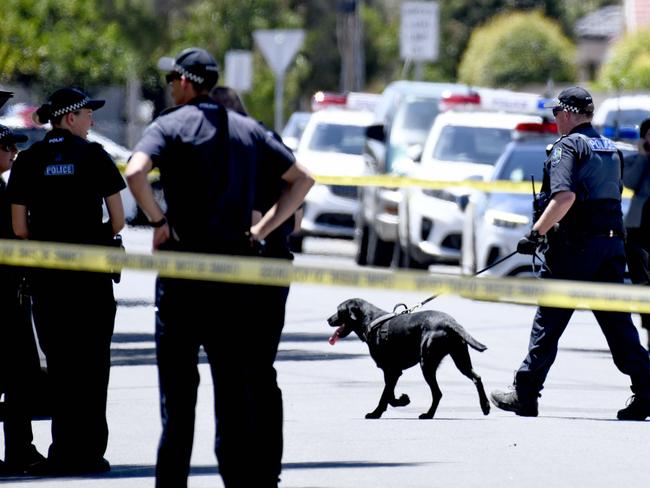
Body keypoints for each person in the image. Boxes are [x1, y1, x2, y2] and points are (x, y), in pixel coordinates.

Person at [125, 48, 313, 488]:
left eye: (173, 80)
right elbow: (303, 180)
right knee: (232, 396)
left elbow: (135, 172)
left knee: (178, 403)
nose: (171, 87)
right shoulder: (248, 130)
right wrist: (263, 230)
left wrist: (158, 221)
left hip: (182, 280)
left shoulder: (169, 125)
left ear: (188, 82)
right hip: (235, 282)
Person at [490, 86, 650, 421]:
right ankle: (646, 390)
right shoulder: (610, 148)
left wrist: (536, 233)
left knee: (548, 323)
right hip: (610, 247)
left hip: (574, 250)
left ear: (568, 112)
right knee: (619, 326)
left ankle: (526, 393)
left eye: (556, 113)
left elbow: (564, 198)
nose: (555, 119)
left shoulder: (568, 147)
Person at [7, 87, 126, 474]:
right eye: (88, 115)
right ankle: (89, 453)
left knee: (59, 365)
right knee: (93, 363)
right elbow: (119, 220)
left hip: (46, 280)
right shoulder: (94, 156)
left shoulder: (29, 160)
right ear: (70, 117)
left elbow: (19, 228)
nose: (92, 121)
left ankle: (60, 452)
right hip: (91, 278)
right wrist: (94, 237)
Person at [0, 119, 47, 476]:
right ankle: (19, 451)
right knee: (19, 376)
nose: (14, 153)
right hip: (6, 299)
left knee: (21, 377)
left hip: (12, 293)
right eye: (7, 147)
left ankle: (20, 449)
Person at [623, 117, 650, 350]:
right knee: (642, 283)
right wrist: (642, 156)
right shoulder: (634, 161)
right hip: (638, 231)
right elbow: (629, 182)